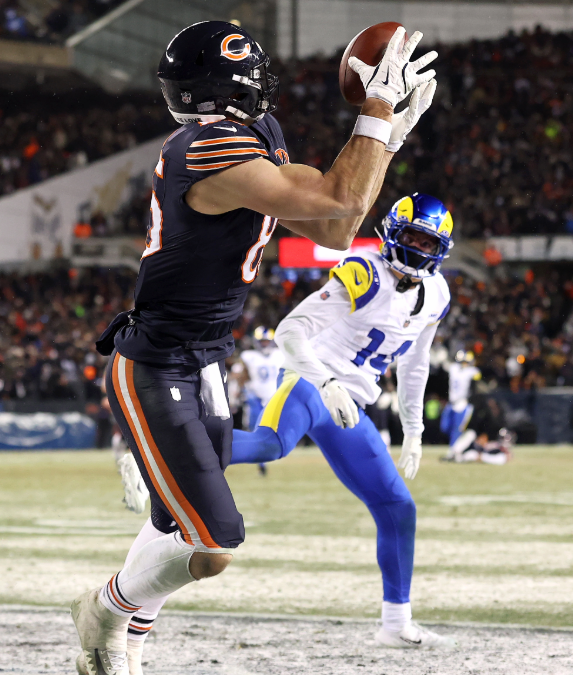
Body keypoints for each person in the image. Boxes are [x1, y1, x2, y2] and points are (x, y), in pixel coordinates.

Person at [78, 21, 439, 675]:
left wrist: (393, 135)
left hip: (208, 359)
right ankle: (107, 606)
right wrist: (379, 112)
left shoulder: (247, 137)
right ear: (230, 85)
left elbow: (335, 226)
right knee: (213, 541)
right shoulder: (205, 149)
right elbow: (340, 200)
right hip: (157, 363)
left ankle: (123, 641)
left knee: (173, 524)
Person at [223, 193, 456, 648]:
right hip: (314, 384)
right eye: (410, 237)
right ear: (391, 232)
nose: (417, 249)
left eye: (427, 243)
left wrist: (414, 429)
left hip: (353, 405)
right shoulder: (364, 272)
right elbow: (289, 331)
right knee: (271, 444)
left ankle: (395, 624)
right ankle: (166, 442)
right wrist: (325, 382)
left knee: (398, 508)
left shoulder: (438, 294)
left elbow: (416, 365)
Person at [237, 326, 286, 475]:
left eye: (266, 341)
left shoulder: (280, 354)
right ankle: (261, 462)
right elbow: (242, 376)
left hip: (275, 397)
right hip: (256, 397)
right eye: (262, 341)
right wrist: (243, 391)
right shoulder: (248, 356)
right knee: (255, 429)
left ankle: (273, 453)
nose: (264, 344)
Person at [440, 350, 480, 446]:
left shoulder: (471, 371)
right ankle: (459, 444)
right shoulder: (454, 368)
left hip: (462, 402)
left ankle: (454, 449)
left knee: (457, 428)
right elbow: (444, 365)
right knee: (444, 427)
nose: (464, 364)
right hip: (451, 402)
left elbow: (477, 375)